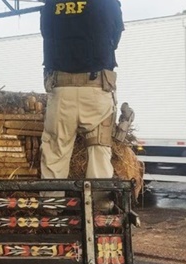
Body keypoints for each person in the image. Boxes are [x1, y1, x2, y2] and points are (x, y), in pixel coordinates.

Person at [39, 0, 124, 201]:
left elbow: (47, 35)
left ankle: (51, 207)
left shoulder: (51, 4)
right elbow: (115, 36)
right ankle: (98, 208)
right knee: (99, 147)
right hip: (96, 88)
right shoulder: (108, 2)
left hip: (61, 89)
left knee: (55, 149)